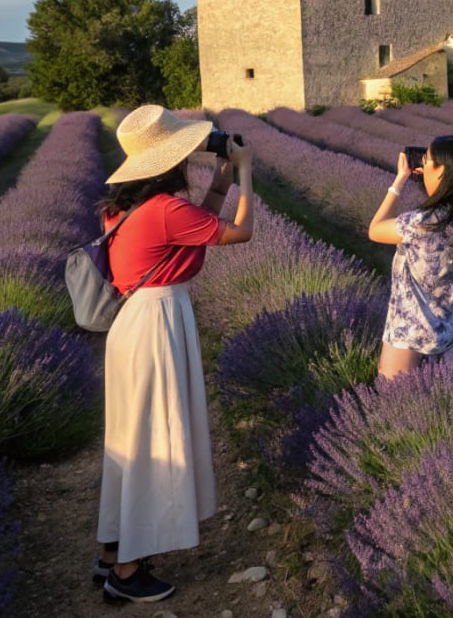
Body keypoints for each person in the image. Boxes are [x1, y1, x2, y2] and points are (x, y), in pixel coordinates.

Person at [92, 105, 254, 604]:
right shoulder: (166, 210)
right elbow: (239, 232)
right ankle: (127, 574)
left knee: (131, 436)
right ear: (172, 161)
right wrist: (245, 173)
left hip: (135, 324)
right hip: (157, 325)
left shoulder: (125, 207)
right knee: (153, 438)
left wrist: (223, 177)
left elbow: (194, 223)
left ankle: (116, 551)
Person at [368, 135, 453, 379]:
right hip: (445, 329)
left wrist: (399, 180)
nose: (423, 165)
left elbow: (375, 229)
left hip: (410, 332)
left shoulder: (422, 223)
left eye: (428, 159)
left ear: (441, 170)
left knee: (395, 406)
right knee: (442, 403)